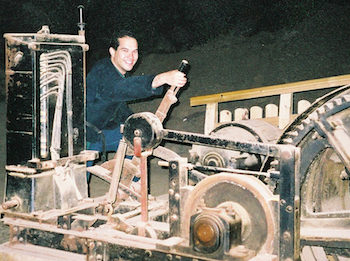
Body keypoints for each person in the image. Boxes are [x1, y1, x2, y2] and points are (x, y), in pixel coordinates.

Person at [86, 30, 187, 166]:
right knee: (76, 183)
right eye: (125, 50)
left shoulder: (117, 72)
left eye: (134, 52)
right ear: (112, 51)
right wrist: (160, 79)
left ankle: (129, 181)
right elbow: (120, 88)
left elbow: (117, 106)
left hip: (102, 131)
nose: (131, 56)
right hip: (86, 136)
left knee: (139, 138)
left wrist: (138, 123)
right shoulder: (103, 70)